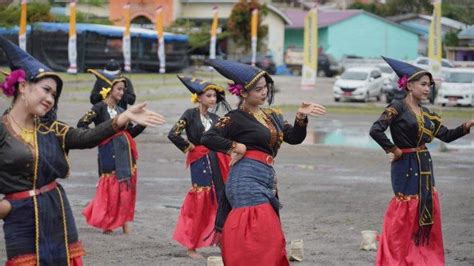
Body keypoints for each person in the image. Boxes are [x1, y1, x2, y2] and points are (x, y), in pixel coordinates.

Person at [0, 36, 165, 265]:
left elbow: (85, 137)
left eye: (54, 95)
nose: (49, 99)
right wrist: (6, 207)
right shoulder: (2, 130)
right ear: (23, 86)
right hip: (20, 220)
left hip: (57, 211)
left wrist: (122, 119)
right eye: (46, 90)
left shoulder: (51, 129)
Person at [201, 59, 327, 265]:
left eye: (266, 88)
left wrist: (301, 117)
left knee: (268, 233)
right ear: (243, 93)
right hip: (244, 178)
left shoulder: (272, 115)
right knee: (258, 232)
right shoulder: (235, 118)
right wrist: (235, 146)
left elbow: (294, 137)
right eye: (258, 89)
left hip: (266, 176)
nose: (264, 93)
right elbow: (208, 137)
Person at [369, 56, 473, 265]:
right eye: (423, 84)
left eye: (429, 85)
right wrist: (394, 149)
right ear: (409, 85)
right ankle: (397, 257)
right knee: (405, 213)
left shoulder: (427, 114)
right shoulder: (397, 107)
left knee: (423, 210)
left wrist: (468, 125)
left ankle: (421, 257)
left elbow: (446, 135)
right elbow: (376, 130)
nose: (427, 89)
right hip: (405, 166)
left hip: (424, 164)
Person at [168, 75, 231, 259]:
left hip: (218, 160)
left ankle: (221, 241)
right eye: (209, 96)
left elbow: (225, 138)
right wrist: (189, 147)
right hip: (199, 161)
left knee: (219, 198)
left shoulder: (216, 118)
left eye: (214, 97)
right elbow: (173, 134)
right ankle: (191, 246)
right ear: (199, 97)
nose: (213, 99)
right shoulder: (189, 114)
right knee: (200, 200)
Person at [78, 70, 145, 235]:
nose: (122, 93)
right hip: (108, 150)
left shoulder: (123, 110)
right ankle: (108, 223)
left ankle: (124, 224)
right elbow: (82, 124)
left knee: (125, 185)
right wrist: (98, 137)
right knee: (110, 185)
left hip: (125, 150)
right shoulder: (99, 108)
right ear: (109, 89)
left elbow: (129, 133)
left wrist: (142, 123)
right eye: (119, 89)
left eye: (123, 89)